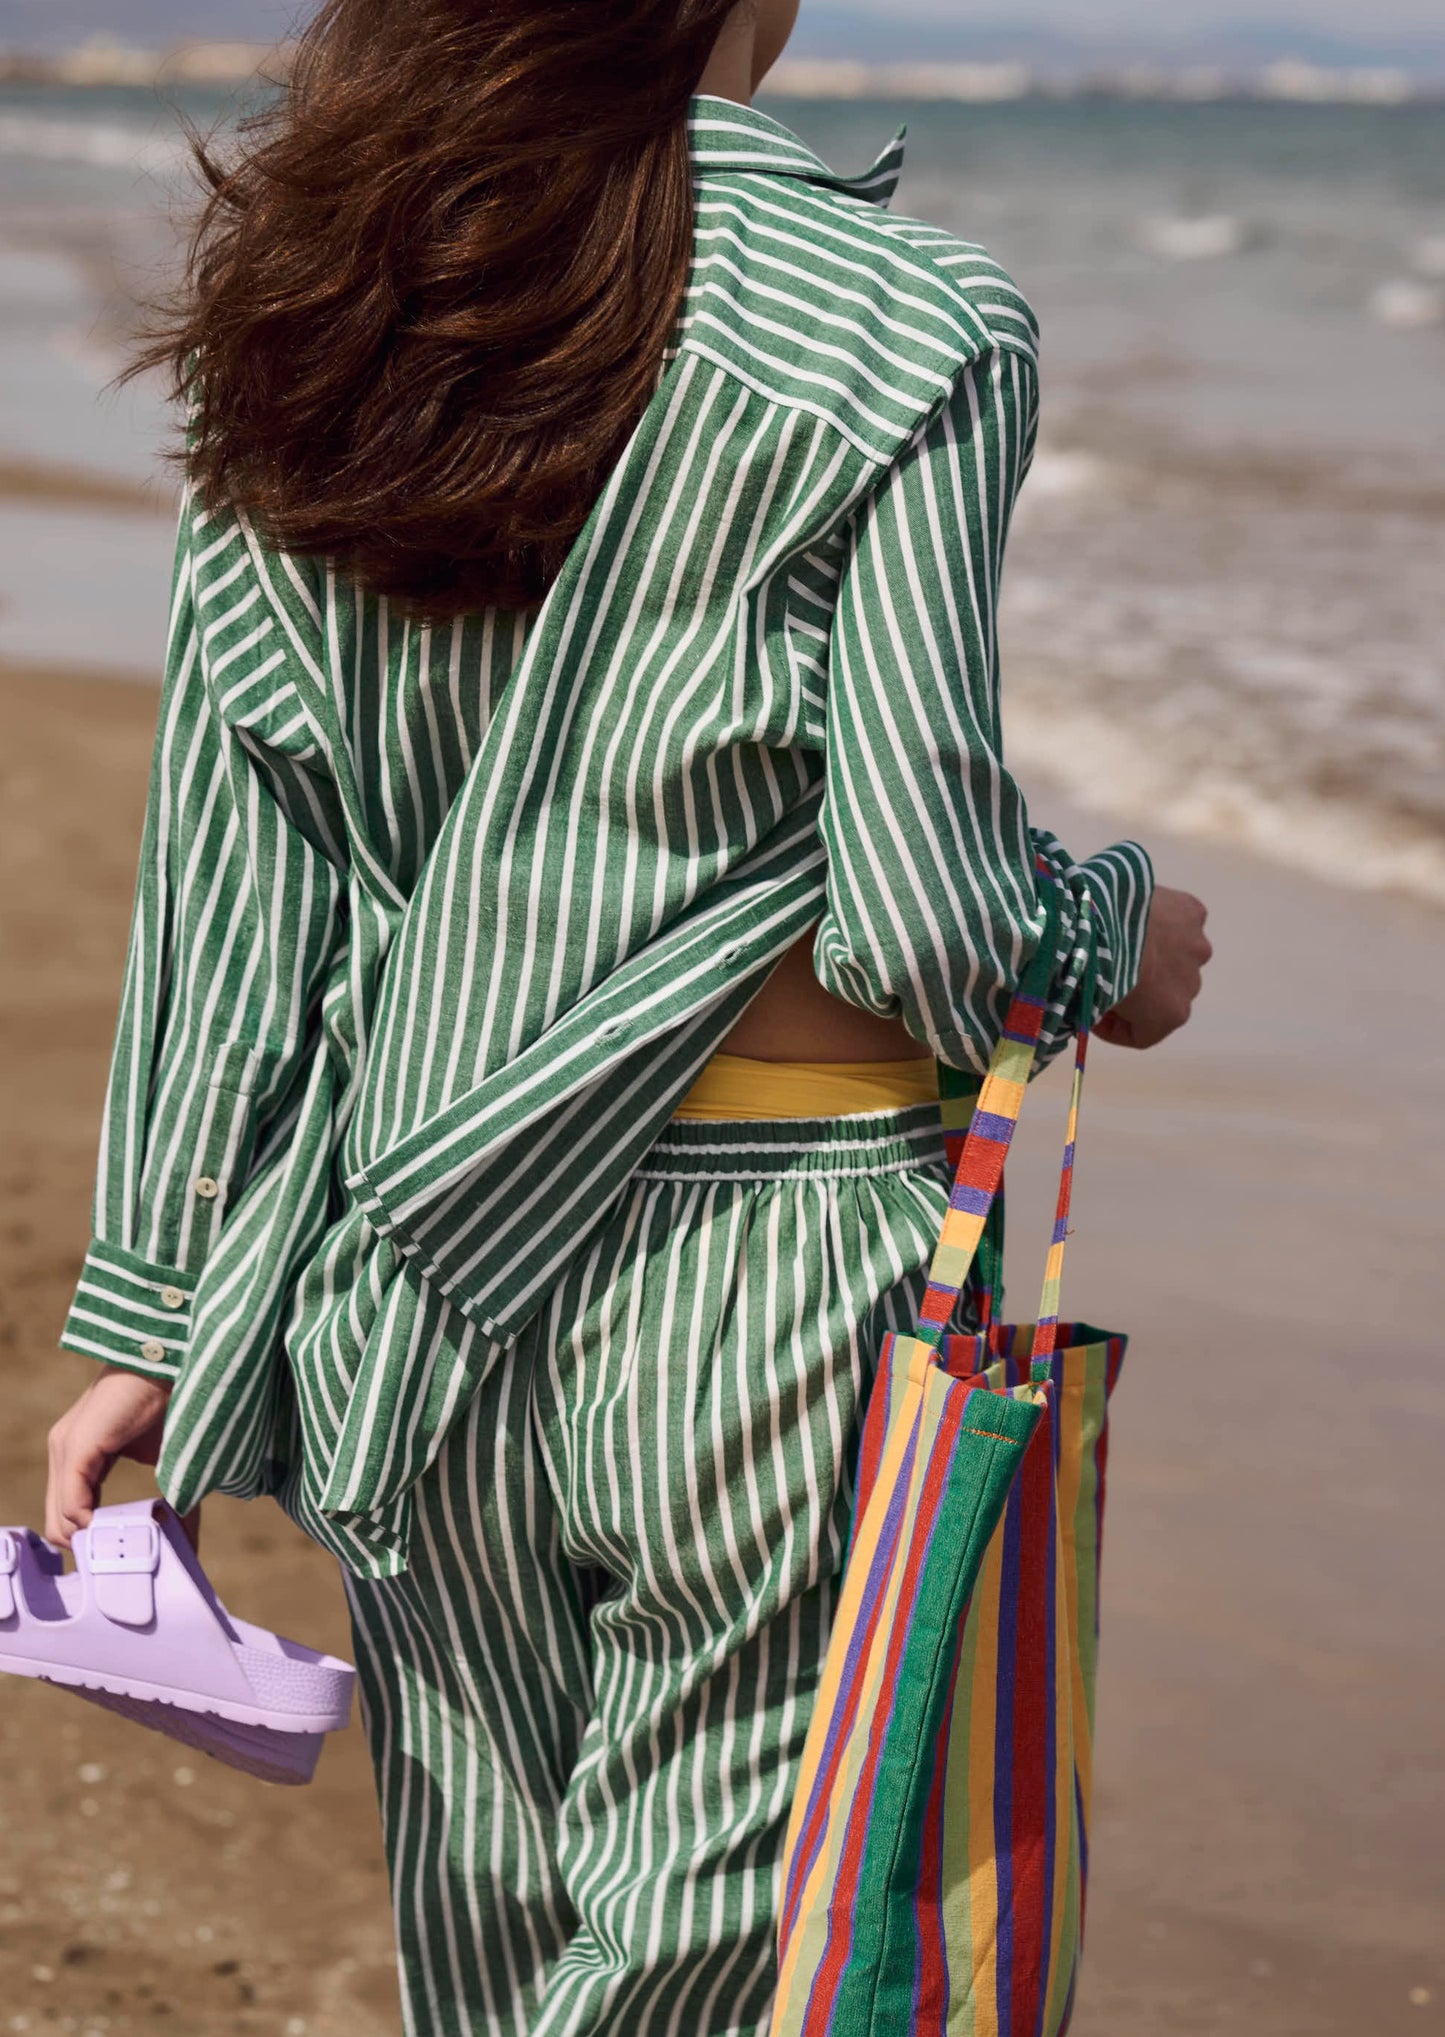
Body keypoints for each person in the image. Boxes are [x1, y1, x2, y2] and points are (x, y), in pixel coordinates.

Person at [43, 0, 1211, 2029]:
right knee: (704, 1946)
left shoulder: (315, 304)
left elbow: (236, 881)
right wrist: (1116, 931)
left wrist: (153, 1306)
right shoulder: (907, 324)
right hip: (766, 1269)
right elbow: (923, 914)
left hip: (394, 1281)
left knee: (489, 1945)